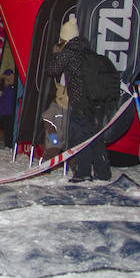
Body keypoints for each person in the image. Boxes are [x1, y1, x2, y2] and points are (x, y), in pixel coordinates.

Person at [48, 15, 111, 182]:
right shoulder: (87, 50)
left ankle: (83, 172)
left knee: (81, 137)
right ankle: (103, 172)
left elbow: (52, 69)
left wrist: (56, 53)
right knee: (95, 136)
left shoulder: (69, 51)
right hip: (95, 101)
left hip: (79, 101)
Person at [0, 69, 17, 149]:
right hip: (3, 112)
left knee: (10, 129)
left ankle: (10, 144)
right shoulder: (3, 89)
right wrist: (0, 94)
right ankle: (8, 144)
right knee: (7, 129)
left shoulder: (14, 88)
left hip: (11, 112)